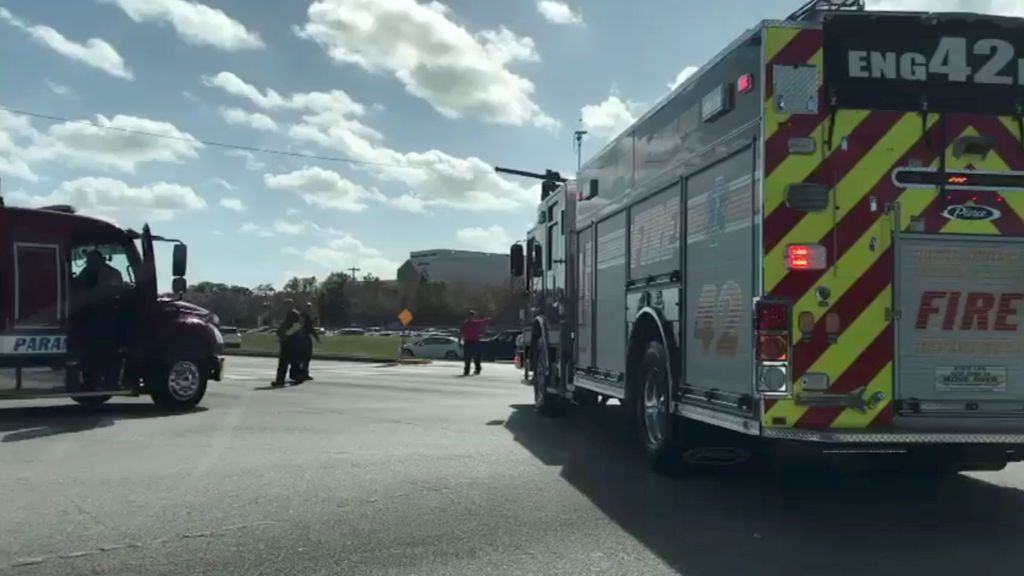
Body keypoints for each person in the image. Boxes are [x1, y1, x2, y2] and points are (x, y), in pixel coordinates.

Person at [272, 301, 302, 387]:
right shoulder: (290, 314)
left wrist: (285, 334)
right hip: (291, 341)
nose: (285, 306)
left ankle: (280, 380)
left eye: (286, 304)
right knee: (293, 360)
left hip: (290, 341)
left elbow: (296, 326)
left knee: (284, 361)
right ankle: (297, 377)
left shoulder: (293, 314)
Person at [290, 302, 319, 382]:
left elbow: (311, 328)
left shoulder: (308, 316)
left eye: (309, 307)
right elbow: (301, 327)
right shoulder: (301, 316)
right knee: (302, 357)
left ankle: (304, 373)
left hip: (306, 337)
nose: (309, 308)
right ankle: (300, 374)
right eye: (307, 307)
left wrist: (316, 337)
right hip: (302, 338)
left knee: (307, 357)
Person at [460, 310, 491, 376]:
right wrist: (459, 340)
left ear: (473, 316)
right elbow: (461, 332)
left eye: (472, 316)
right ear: (468, 316)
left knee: (476, 357)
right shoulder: (465, 324)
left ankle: (477, 369)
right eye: (470, 315)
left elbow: (484, 321)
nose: (471, 317)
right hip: (468, 342)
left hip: (475, 342)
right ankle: (466, 371)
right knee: (467, 357)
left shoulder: (475, 323)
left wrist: (487, 319)